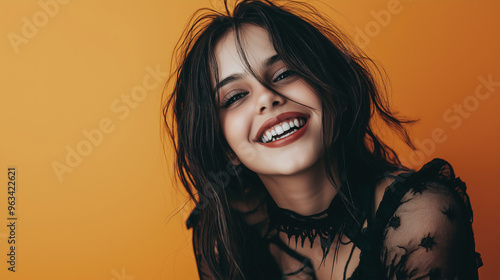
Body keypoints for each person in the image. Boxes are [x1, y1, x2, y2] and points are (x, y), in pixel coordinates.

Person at [163, 0, 482, 279]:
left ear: (336, 94)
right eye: (234, 97)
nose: (266, 98)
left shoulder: (419, 220)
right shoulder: (223, 233)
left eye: (285, 73)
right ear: (223, 146)